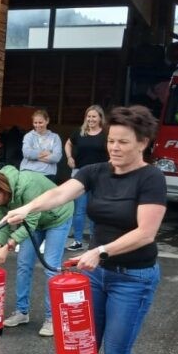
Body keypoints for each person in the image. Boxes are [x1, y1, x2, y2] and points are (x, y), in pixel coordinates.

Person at [0, 105, 167, 354]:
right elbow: (60, 193)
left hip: (133, 277)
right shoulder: (95, 171)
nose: (115, 148)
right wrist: (27, 208)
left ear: (143, 143)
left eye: (123, 142)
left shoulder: (151, 178)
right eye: (111, 141)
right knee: (83, 344)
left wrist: (100, 251)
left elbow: (146, 233)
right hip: (96, 275)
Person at [0, 166, 72, 337]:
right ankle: (22, 312)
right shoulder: (2, 199)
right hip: (34, 222)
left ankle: (51, 319)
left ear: (3, 189)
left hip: (57, 217)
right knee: (23, 263)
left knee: (51, 266)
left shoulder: (28, 184)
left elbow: (32, 219)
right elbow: (3, 223)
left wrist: (8, 246)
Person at [64, 105, 108, 251]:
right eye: (88, 116)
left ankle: (95, 241)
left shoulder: (106, 134)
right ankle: (77, 241)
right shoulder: (80, 132)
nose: (91, 119)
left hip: (99, 175)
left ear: (100, 118)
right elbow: (68, 143)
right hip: (80, 174)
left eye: (94, 116)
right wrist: (69, 157)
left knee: (96, 209)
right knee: (80, 210)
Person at [19, 109, 62, 177]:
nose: (37, 125)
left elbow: (56, 157)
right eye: (35, 123)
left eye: (40, 122)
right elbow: (26, 153)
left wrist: (33, 156)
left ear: (47, 121)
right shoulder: (29, 136)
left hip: (48, 173)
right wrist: (47, 153)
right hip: (28, 171)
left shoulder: (55, 137)